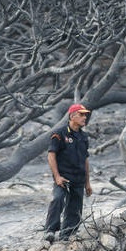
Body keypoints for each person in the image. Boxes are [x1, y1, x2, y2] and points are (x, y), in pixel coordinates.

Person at [43, 103, 93, 242]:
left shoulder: (84, 136)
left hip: (79, 178)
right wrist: (57, 177)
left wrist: (87, 183)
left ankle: (67, 235)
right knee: (57, 199)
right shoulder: (59, 134)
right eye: (81, 114)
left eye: (85, 115)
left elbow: (85, 160)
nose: (85, 117)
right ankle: (50, 231)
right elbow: (51, 155)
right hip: (63, 177)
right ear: (72, 116)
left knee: (75, 208)